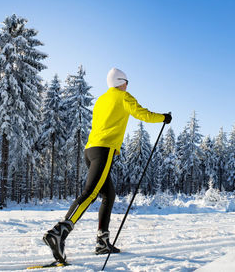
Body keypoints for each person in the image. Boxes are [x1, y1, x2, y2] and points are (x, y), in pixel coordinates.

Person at [42, 68, 172, 263]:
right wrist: (163, 117)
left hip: (90, 150)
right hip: (104, 151)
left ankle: (102, 242)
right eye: (126, 81)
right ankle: (59, 232)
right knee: (90, 193)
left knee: (108, 195)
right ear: (120, 82)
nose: (127, 85)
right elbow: (142, 114)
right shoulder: (123, 96)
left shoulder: (102, 99)